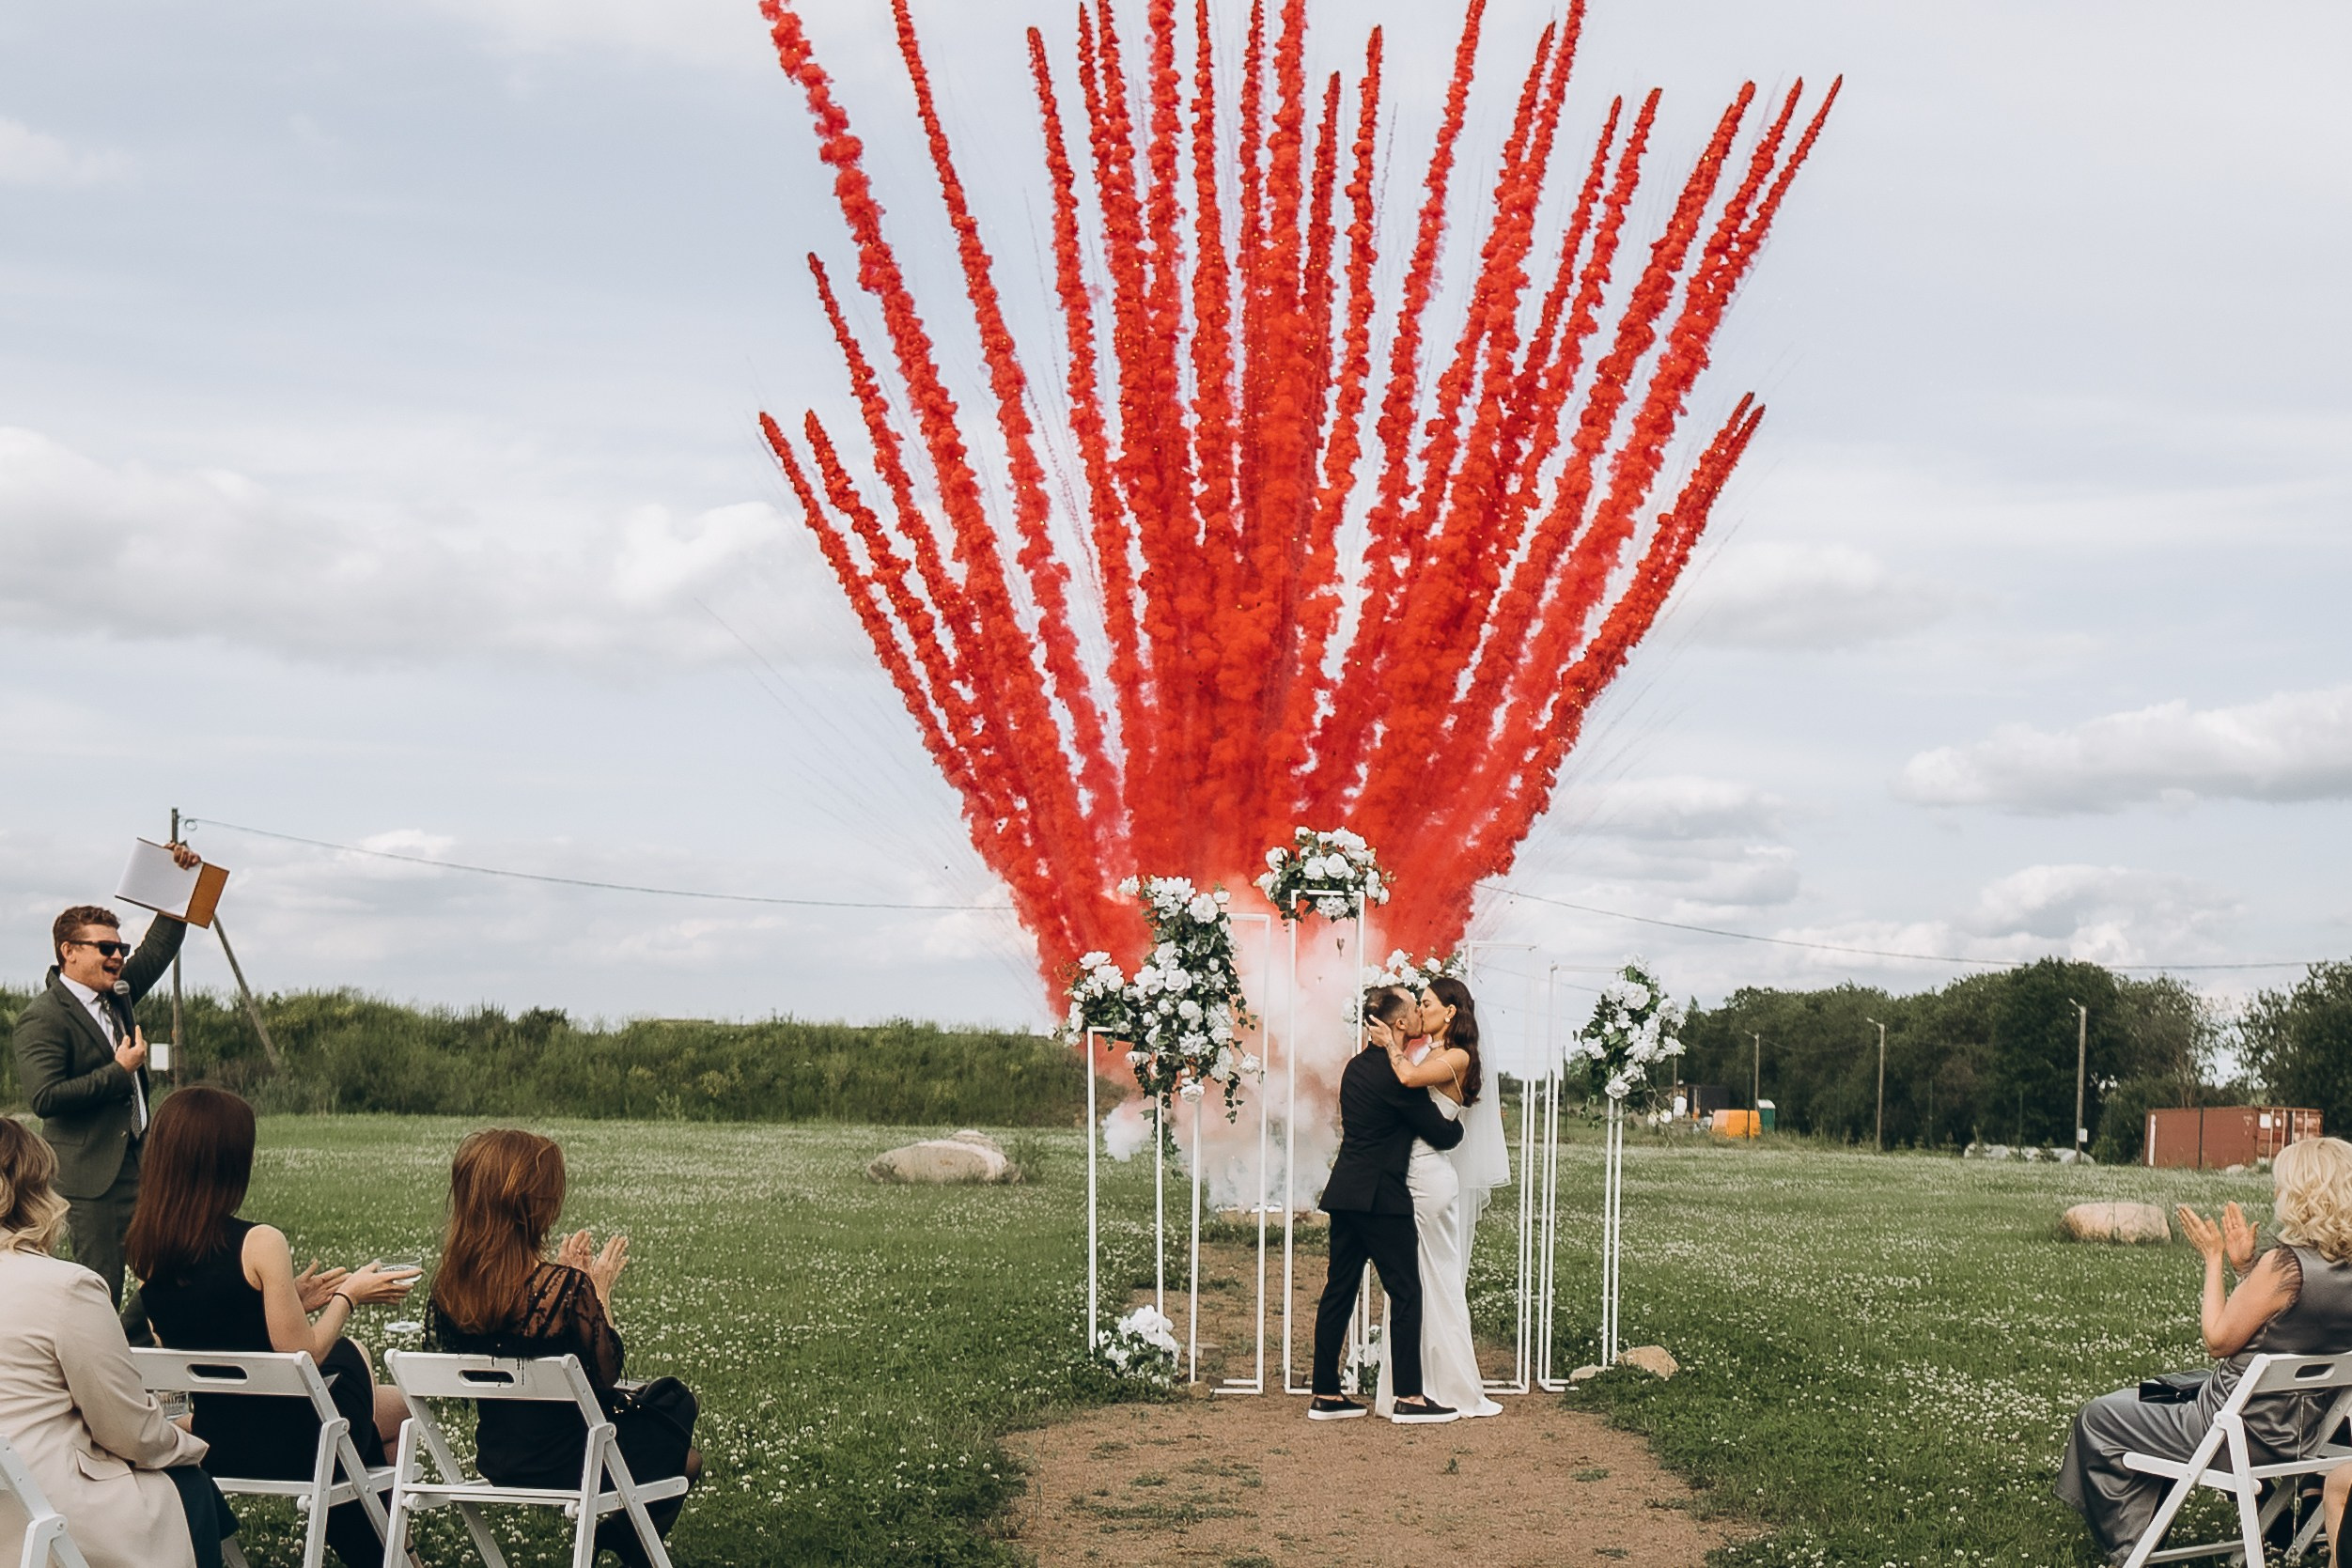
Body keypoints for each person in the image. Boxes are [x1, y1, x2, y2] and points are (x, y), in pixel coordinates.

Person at [125, 1087, 415, 1568]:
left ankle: (395, 1553)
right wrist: (350, 1295)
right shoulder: (260, 1242)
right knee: (353, 1357)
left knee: (392, 1414)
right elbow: (302, 1353)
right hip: (294, 1443)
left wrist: (286, 1301)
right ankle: (391, 1554)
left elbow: (193, 1331)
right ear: (228, 1163)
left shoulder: (144, 1251)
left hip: (217, 1440)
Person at [2058, 1136, 2352, 1563]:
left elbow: (2218, 1340)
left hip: (2231, 1432)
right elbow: (2295, 1324)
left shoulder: (2286, 1265)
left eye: (2283, 1185)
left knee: (2099, 1416)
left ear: (2306, 1195)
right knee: (2144, 1400)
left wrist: (2214, 1260)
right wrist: (2245, 1270)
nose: (2276, 1194)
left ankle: (2131, 1547)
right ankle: (2143, 1528)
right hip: (2303, 1436)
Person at [427, 1128, 699, 1568]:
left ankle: (628, 1537)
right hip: (572, 1461)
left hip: (500, 1457)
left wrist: (572, 1289)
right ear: (534, 1208)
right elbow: (605, 1374)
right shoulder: (563, 1288)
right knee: (677, 1404)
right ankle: (627, 1538)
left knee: (685, 1461)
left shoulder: (450, 1293)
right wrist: (597, 1293)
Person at [0, 1116, 235, 1568]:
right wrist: (193, 1443)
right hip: (41, 1512)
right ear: (34, 1191)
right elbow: (129, 1429)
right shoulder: (64, 1288)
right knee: (191, 1489)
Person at [10, 845, 201, 1306]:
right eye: (106, 948)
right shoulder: (43, 1018)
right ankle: (93, 1371)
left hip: (144, 1163)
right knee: (99, 1288)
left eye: (121, 948)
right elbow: (46, 1097)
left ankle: (137, 1352)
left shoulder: (118, 994)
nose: (118, 956)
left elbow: (159, 947)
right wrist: (119, 1072)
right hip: (90, 1179)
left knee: (176, 1271)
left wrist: (178, 880)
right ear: (69, 952)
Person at [1308, 986, 1467, 1425]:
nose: (1419, 1013)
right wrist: (1460, 1129)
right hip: (1382, 1199)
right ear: (1399, 1024)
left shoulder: (1356, 1068)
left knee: (1338, 1291)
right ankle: (1411, 1399)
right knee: (1407, 1292)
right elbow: (1438, 1133)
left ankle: (1324, 1392)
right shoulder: (1396, 1076)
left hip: (1345, 1193)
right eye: (1414, 1010)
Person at [1371, 978, 1503, 1421]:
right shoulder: (1433, 1053)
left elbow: (1406, 1078)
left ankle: (1453, 1385)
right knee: (1412, 1283)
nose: (1421, 1010)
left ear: (1449, 1013)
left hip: (1430, 1178)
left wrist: (1390, 1043)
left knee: (1438, 1282)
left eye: (1426, 1004)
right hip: (1413, 1174)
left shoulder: (1455, 1057)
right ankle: (1413, 1385)